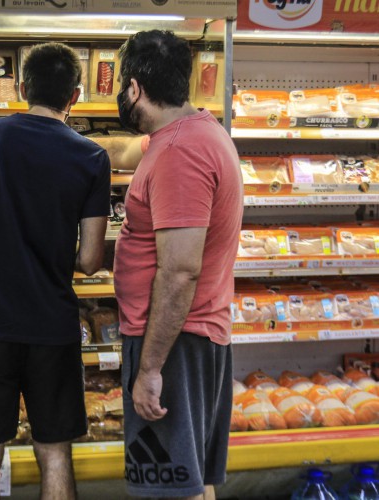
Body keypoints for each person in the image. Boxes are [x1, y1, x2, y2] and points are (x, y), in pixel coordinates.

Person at [0, 42, 111, 500]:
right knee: (55, 453)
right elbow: (91, 259)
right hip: (52, 327)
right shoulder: (92, 157)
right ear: (74, 95)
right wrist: (49, 249)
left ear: (20, 88)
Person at [111, 30, 243, 500]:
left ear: (133, 89)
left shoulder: (178, 153)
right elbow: (122, 151)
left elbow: (180, 270)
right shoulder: (190, 134)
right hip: (191, 339)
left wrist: (149, 370)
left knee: (170, 490)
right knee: (192, 481)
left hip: (173, 345)